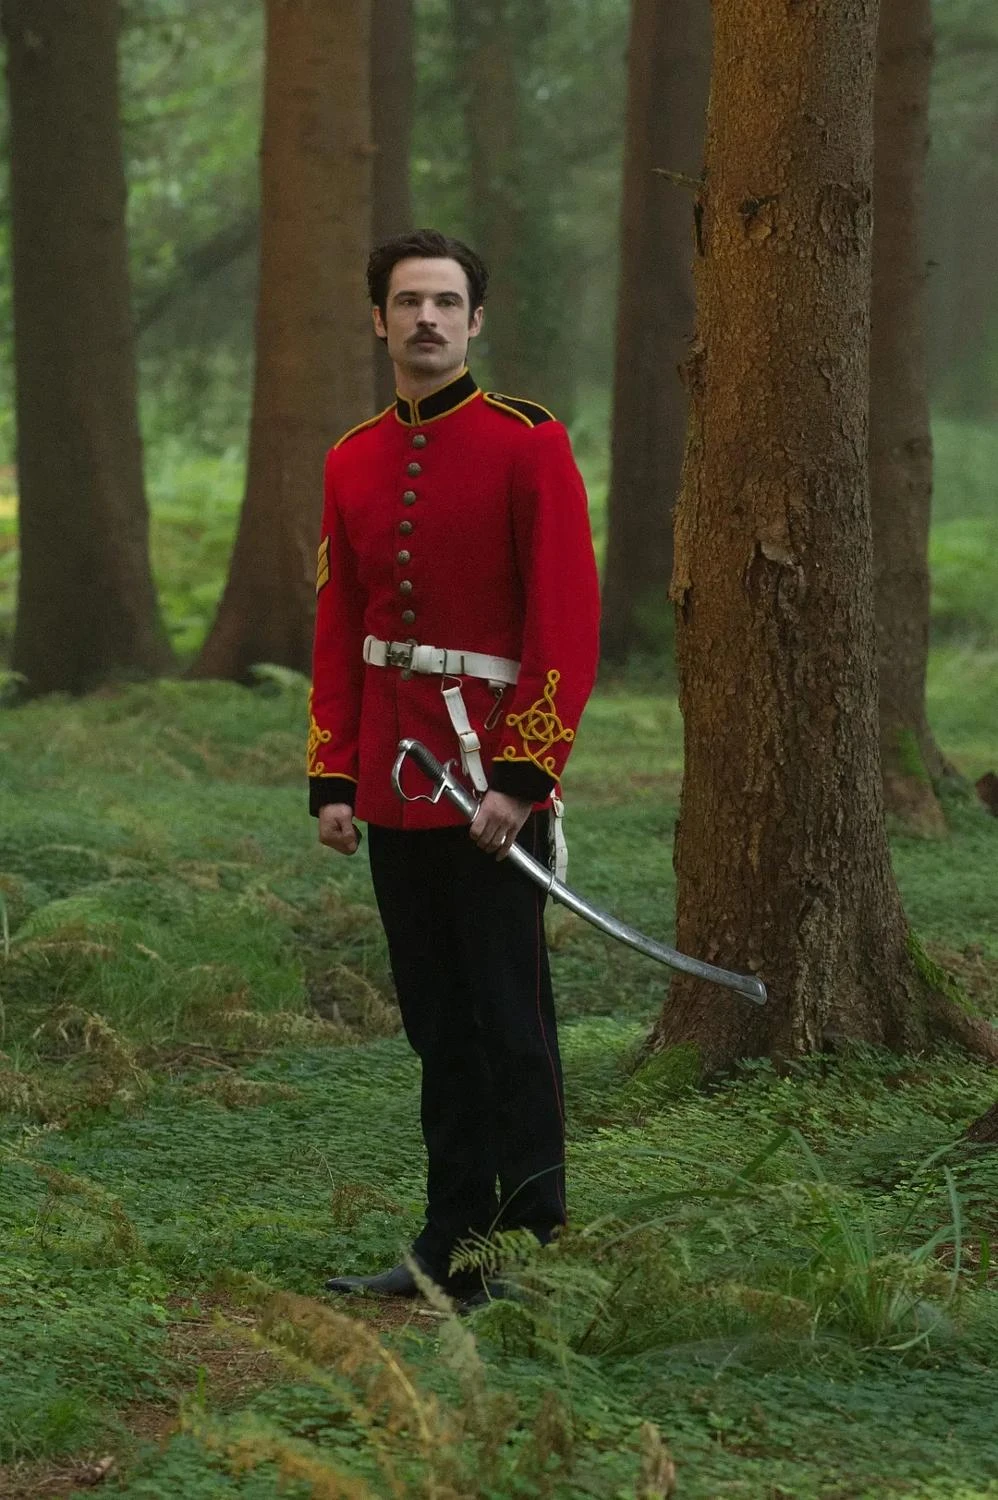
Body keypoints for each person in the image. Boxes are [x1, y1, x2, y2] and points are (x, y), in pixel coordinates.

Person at [309, 228, 600, 1306]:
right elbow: (341, 627)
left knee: (505, 1018)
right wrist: (334, 779)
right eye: (406, 302)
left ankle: (517, 1244)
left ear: (476, 321)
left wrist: (521, 778)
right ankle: (444, 1240)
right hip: (395, 785)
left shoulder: (530, 444)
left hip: (489, 781)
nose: (425, 319)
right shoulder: (348, 459)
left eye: (445, 302)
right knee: (435, 1022)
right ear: (376, 320)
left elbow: (563, 623)